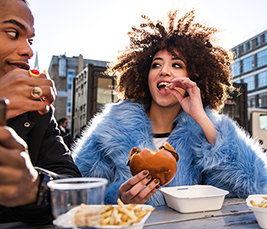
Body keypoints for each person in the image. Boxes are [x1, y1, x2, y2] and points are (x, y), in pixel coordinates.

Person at [73, 10, 267, 206]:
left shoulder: (203, 134)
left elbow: (256, 188)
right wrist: (117, 198)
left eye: (176, 65)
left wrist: (201, 118)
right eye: (156, 65)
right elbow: (76, 192)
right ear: (145, 75)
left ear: (193, 78)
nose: (164, 71)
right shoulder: (110, 129)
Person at [0, 0, 81, 225]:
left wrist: (35, 189)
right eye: (12, 32)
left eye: (30, 39)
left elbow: (73, 189)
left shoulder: (37, 111)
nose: (28, 50)